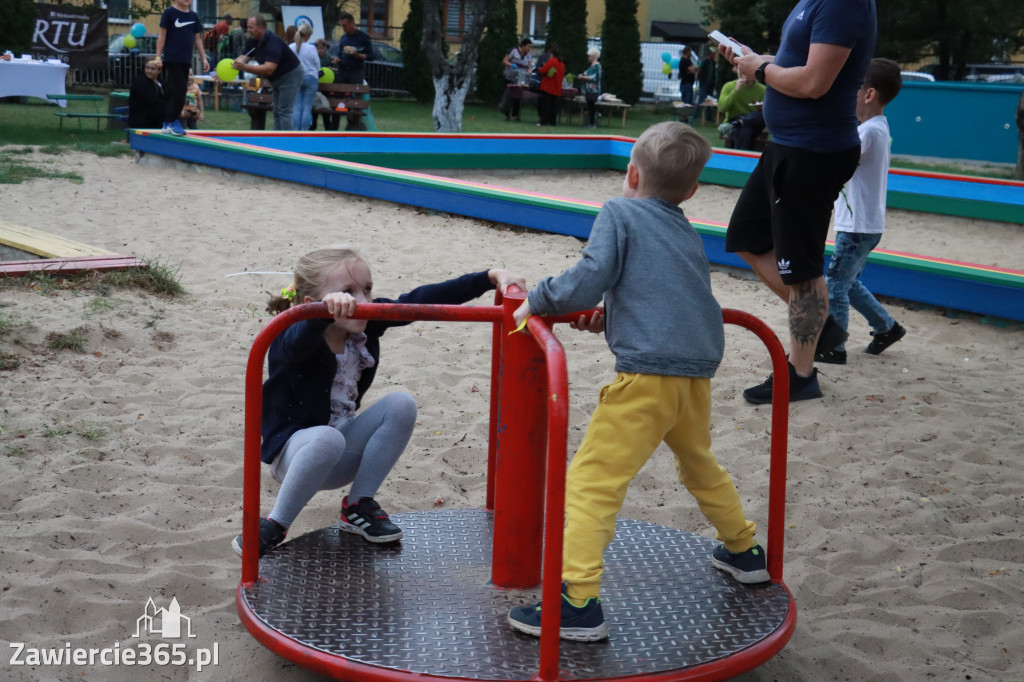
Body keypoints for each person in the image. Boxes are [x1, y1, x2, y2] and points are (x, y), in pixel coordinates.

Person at [506, 122, 769, 642]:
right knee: (700, 463)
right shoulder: (686, 229)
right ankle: (743, 550)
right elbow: (664, 291)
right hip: (694, 376)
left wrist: (538, 300)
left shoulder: (617, 212)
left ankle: (577, 601)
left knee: (591, 482)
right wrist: (616, 312)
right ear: (692, 191)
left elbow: (589, 273)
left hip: (646, 377)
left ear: (630, 172)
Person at [232, 248, 525, 557]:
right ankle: (275, 524)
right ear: (311, 305)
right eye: (348, 292)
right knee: (327, 438)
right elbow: (295, 345)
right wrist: (319, 317)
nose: (364, 301)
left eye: (367, 289)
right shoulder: (292, 333)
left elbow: (421, 301)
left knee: (401, 404)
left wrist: (488, 278)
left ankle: (358, 505)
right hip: (295, 456)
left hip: (341, 450)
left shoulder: (367, 322)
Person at [719, 0, 877, 404]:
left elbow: (813, 83)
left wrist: (760, 70)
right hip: (787, 145)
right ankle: (818, 323)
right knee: (746, 237)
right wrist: (755, 59)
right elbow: (798, 61)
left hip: (813, 152)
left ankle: (801, 374)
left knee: (802, 271)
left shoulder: (844, 3)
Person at [820, 58, 906, 364]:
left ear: (868, 95)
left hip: (857, 226)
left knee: (835, 286)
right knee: (848, 282)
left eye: (852, 87)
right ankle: (887, 327)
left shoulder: (867, 132)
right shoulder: (877, 128)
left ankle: (835, 347)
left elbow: (840, 162)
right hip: (865, 224)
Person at [234, 15, 304, 132]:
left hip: (291, 75)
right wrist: (228, 67)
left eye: (251, 27)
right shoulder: (252, 41)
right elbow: (242, 59)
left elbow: (269, 69)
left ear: (260, 28)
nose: (248, 30)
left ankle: (289, 145)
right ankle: (277, 141)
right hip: (276, 78)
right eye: (247, 27)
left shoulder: (273, 42)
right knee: (277, 112)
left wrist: (244, 67)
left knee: (284, 111)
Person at [155, 0, 209, 136]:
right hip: (171, 59)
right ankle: (173, 121)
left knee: (178, 91)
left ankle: (167, 122)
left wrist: (204, 58)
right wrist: (157, 57)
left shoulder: (193, 16)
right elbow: (162, 36)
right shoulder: (169, 13)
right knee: (180, 90)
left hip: (186, 60)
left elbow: (197, 39)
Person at [716, 73, 766, 150]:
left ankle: (741, 121)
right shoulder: (729, 86)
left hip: (755, 121)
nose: (745, 75)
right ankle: (740, 122)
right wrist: (735, 92)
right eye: (743, 72)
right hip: (734, 120)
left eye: (748, 72)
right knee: (744, 130)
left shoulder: (762, 89)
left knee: (764, 113)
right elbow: (722, 108)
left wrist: (761, 107)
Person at [290, 24, 320, 132]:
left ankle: (295, 130)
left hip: (296, 77)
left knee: (297, 107)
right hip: (311, 78)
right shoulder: (311, 48)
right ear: (307, 35)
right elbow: (317, 65)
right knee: (307, 107)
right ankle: (304, 130)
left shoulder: (291, 47)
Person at [331, 12, 373, 86]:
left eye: (345, 26)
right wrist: (337, 59)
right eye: (342, 26)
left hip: (356, 72)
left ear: (352, 23)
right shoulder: (343, 38)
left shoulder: (364, 37)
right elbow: (340, 53)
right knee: (339, 94)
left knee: (356, 95)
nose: (343, 28)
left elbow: (371, 56)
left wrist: (356, 54)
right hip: (342, 71)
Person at [128, 59, 168, 130]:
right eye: (147, 68)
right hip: (142, 121)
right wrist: (171, 109)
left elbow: (169, 96)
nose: (149, 71)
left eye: (152, 69)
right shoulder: (140, 82)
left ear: (159, 70)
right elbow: (153, 101)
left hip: (158, 119)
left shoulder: (162, 82)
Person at [500, 38, 532, 122]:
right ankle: (507, 114)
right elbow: (504, 61)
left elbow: (529, 66)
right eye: (527, 47)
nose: (529, 49)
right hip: (510, 76)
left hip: (520, 78)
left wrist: (529, 73)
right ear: (523, 46)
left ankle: (516, 115)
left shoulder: (528, 55)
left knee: (518, 96)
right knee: (508, 95)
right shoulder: (514, 52)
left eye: (530, 47)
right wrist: (511, 65)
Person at [537, 44, 565, 127]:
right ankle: (552, 122)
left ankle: (544, 121)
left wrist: (540, 69)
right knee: (553, 106)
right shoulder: (561, 64)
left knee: (546, 105)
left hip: (548, 87)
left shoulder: (552, 61)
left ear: (552, 54)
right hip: (556, 88)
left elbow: (542, 70)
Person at [577, 47, 602, 128]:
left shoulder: (597, 66)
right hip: (588, 89)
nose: (588, 58)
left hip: (593, 90)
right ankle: (589, 123)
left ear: (593, 56)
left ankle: (592, 123)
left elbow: (592, 78)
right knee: (589, 106)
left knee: (592, 106)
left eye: (589, 56)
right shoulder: (591, 66)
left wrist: (582, 77)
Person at [696, 45, 719, 120]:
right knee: (702, 99)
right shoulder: (704, 61)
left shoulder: (713, 62)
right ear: (709, 54)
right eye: (713, 54)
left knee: (710, 100)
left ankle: (709, 116)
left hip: (711, 84)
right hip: (704, 83)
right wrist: (700, 79)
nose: (714, 55)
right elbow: (698, 69)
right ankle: (697, 114)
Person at [678, 46, 698, 115]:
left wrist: (694, 68)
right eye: (690, 52)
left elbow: (694, 69)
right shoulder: (684, 61)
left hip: (688, 83)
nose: (691, 54)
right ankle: (684, 118)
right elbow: (693, 70)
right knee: (687, 103)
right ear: (687, 52)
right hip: (686, 83)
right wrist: (694, 67)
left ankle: (687, 118)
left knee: (689, 102)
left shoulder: (688, 61)